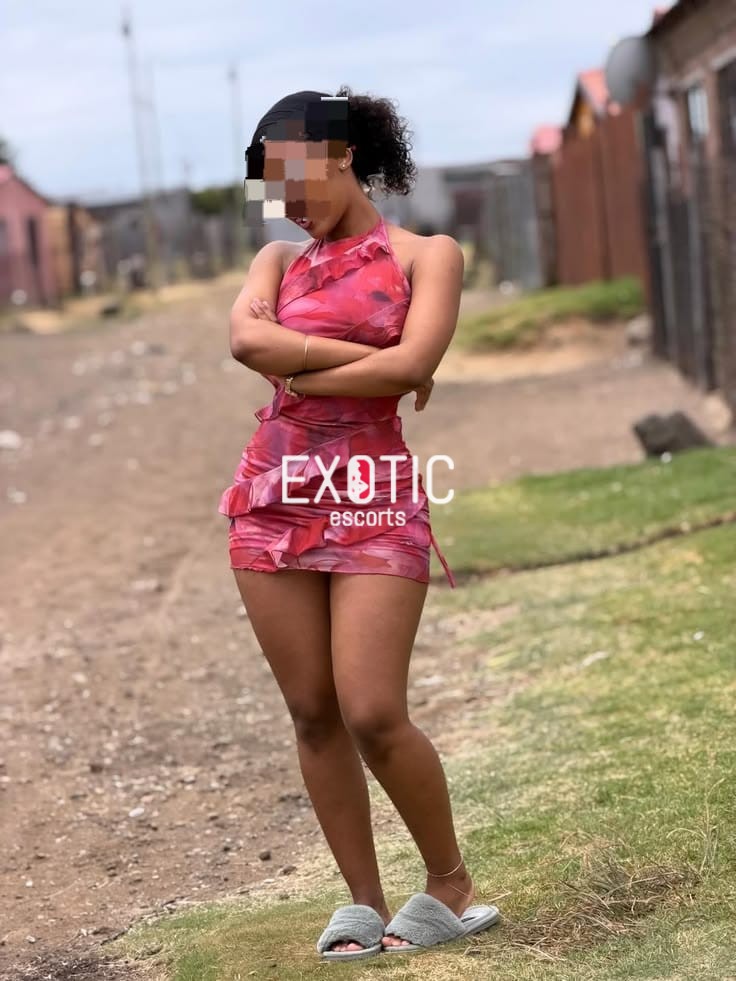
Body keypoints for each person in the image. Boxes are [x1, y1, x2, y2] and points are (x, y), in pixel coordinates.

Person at [218, 86, 500, 960]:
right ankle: (363, 900)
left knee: (372, 708)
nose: (287, 202)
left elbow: (413, 364)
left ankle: (450, 882)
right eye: (272, 188)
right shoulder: (274, 261)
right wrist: (372, 362)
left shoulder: (429, 256)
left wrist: (306, 367)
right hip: (273, 495)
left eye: (295, 177)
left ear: (341, 154)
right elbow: (247, 344)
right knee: (313, 712)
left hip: (375, 497)